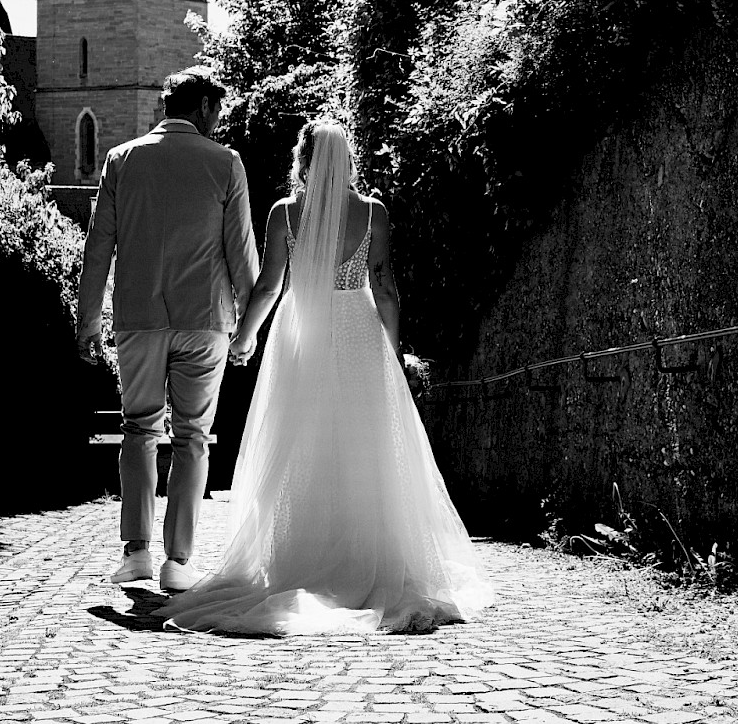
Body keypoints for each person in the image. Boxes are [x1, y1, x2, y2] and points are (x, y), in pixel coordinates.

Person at [158, 119, 494, 634]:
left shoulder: (285, 213)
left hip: (303, 331)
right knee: (365, 444)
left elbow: (270, 284)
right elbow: (383, 285)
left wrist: (245, 335)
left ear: (304, 159)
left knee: (300, 443)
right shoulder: (372, 212)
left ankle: (301, 554)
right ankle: (366, 552)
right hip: (359, 331)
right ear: (347, 158)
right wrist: (393, 349)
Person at [75, 69, 259, 594]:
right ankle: (178, 561)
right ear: (202, 107)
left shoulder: (121, 159)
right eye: (218, 111)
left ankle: (136, 552)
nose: (219, 121)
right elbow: (242, 257)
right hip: (204, 322)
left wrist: (88, 321)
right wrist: (246, 330)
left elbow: (98, 248)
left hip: (138, 321)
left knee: (138, 430)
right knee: (192, 438)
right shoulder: (225, 163)